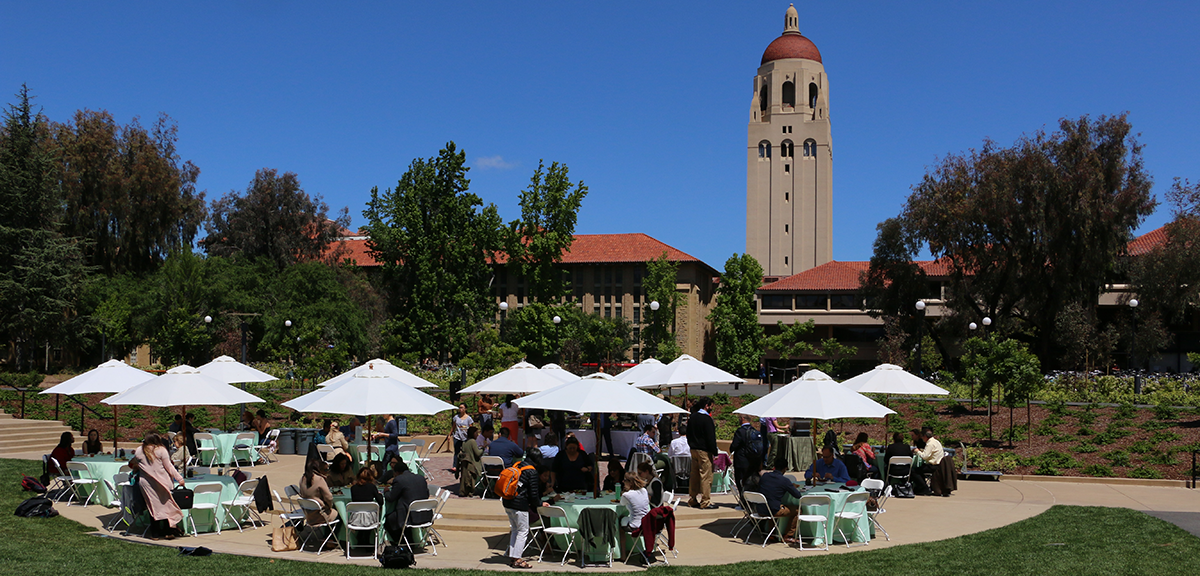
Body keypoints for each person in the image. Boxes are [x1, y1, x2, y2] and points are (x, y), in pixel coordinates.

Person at [130, 433, 186, 540]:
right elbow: (169, 467)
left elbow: (132, 463)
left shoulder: (139, 450)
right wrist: (179, 478)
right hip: (162, 482)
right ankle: (167, 531)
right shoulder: (161, 450)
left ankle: (155, 533)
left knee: (153, 507)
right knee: (166, 506)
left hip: (146, 484)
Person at [502, 460, 548, 569]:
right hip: (520, 505)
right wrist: (540, 503)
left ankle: (513, 557)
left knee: (515, 530)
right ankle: (517, 559)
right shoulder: (532, 472)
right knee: (523, 531)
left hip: (508, 502)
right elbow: (533, 494)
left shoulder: (517, 466)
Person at [756, 451, 804, 543]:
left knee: (772, 504)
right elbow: (798, 495)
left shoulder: (765, 476)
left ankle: (772, 534)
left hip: (760, 509)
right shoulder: (784, 481)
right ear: (785, 469)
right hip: (773, 511)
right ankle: (788, 535)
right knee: (798, 510)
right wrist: (790, 487)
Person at [384, 459, 431, 545]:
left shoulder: (399, 480)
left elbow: (390, 498)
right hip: (425, 514)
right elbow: (427, 494)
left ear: (397, 472)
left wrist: (386, 491)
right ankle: (409, 540)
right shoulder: (421, 478)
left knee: (388, 519)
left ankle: (401, 542)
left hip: (409, 516)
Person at [686, 398, 717, 509]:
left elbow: (688, 433)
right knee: (706, 476)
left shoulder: (692, 417)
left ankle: (692, 499)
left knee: (694, 475)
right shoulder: (707, 419)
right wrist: (715, 451)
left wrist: (691, 445)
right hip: (704, 451)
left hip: (693, 449)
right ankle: (705, 501)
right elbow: (710, 437)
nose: (712, 408)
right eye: (711, 406)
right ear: (706, 406)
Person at [298, 458, 339, 531]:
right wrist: (329, 506)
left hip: (308, 515)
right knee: (340, 515)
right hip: (320, 515)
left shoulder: (302, 479)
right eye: (325, 470)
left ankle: (327, 536)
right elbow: (329, 497)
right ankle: (331, 538)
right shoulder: (319, 479)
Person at [729, 414, 763, 495]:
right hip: (754, 461)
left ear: (743, 419)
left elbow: (734, 446)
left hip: (742, 461)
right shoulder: (755, 431)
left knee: (741, 481)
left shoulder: (740, 431)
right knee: (751, 481)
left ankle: (743, 500)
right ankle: (751, 500)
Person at [350, 467, 382, 547]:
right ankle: (366, 540)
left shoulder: (353, 488)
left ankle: (361, 538)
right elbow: (380, 502)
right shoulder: (372, 487)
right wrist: (379, 494)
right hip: (370, 517)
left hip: (356, 517)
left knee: (363, 513)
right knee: (369, 515)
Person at [913, 428, 946, 496]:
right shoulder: (936, 442)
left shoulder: (930, 444)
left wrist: (917, 451)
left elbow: (924, 456)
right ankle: (922, 487)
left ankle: (924, 489)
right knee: (920, 470)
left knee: (914, 471)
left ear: (925, 436)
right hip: (939, 464)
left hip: (933, 466)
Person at [458, 425, 484, 497]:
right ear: (473, 433)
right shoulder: (473, 442)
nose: (478, 435)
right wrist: (483, 448)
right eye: (476, 433)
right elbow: (478, 453)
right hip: (472, 463)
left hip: (466, 463)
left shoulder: (464, 442)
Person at [450, 404, 474, 478]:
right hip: (457, 437)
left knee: (465, 452)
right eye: (459, 408)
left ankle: (466, 465)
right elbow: (453, 426)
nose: (460, 409)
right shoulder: (456, 417)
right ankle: (455, 466)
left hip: (465, 438)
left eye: (462, 408)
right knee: (456, 452)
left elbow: (471, 428)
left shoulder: (469, 418)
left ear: (465, 409)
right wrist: (449, 434)